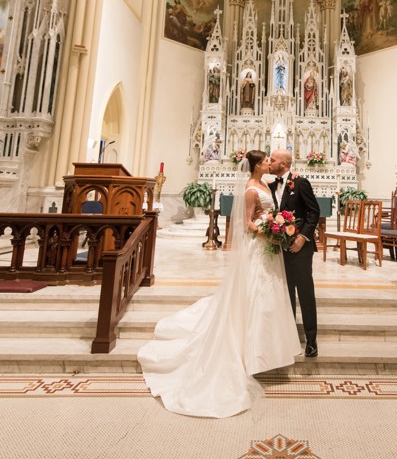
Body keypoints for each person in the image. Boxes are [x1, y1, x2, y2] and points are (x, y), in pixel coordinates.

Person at [138, 150, 300, 417]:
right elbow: (248, 224)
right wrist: (268, 233)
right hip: (258, 246)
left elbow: (270, 207)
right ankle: (250, 350)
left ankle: (266, 349)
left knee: (267, 293)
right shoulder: (250, 189)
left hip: (268, 250)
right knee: (253, 293)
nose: (270, 163)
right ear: (257, 165)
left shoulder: (265, 184)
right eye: (266, 161)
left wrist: (277, 224)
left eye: (271, 160)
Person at [268, 149, 321, 358]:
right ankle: (288, 338)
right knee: (286, 292)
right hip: (279, 248)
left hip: (300, 248)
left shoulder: (300, 183)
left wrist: (302, 237)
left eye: (273, 159)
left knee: (305, 292)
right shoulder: (270, 186)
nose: (270, 162)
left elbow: (313, 211)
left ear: (283, 164)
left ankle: (311, 340)